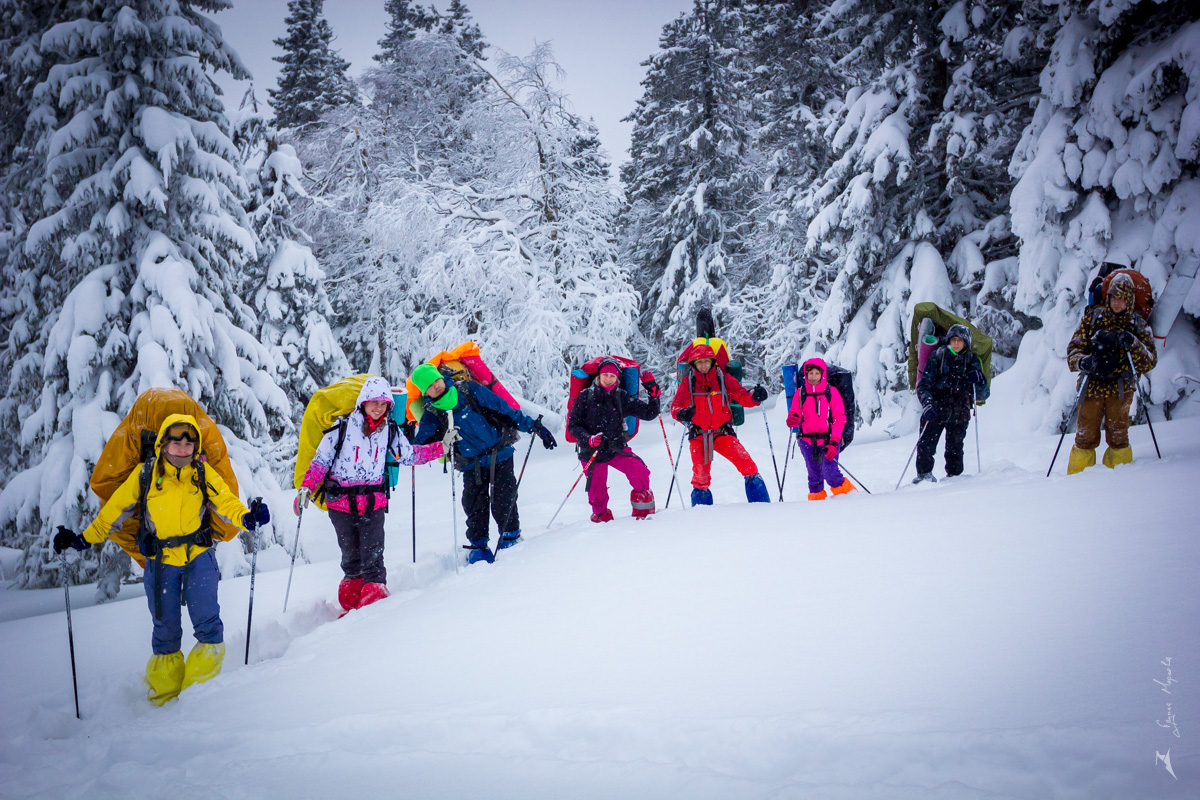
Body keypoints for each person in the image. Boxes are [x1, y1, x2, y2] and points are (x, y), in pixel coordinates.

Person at [53, 414, 271, 705]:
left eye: (188, 441)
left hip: (198, 557)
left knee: (209, 627)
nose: (182, 447)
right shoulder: (146, 475)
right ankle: (164, 702)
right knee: (165, 632)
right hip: (161, 561)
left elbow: (226, 502)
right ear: (163, 444)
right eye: (175, 441)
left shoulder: (203, 473)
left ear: (195, 446)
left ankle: (201, 699)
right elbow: (113, 512)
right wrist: (82, 540)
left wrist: (247, 517)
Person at [295, 376, 443, 612]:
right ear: (363, 402)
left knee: (374, 560)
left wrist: (441, 448)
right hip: (341, 505)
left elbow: (410, 455)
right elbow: (320, 462)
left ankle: (373, 613)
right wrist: (306, 487)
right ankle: (353, 606)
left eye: (383, 404)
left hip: (373, 503)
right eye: (374, 402)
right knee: (351, 559)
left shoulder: (390, 431)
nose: (378, 408)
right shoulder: (341, 428)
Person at [410, 363, 557, 564]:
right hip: (471, 464)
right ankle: (478, 548)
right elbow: (421, 447)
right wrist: (411, 436)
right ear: (424, 391)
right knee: (474, 505)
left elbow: (504, 410)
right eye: (429, 385)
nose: (435, 386)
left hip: (500, 453)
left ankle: (511, 538)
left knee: (504, 498)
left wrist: (534, 427)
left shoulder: (468, 390)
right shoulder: (431, 414)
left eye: (435, 380)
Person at [1065, 274, 1157, 473]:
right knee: (1085, 437)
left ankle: (1119, 483)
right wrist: (1083, 361)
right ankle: (1076, 483)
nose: (1116, 302)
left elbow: (1150, 361)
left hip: (1121, 388)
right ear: (1107, 298)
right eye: (1113, 297)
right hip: (1091, 386)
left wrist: (1133, 343)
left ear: (1129, 300)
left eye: (1122, 298)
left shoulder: (1138, 325)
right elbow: (1073, 350)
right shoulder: (1093, 318)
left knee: (1118, 437)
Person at [669, 343, 771, 505]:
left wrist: (754, 397)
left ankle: (762, 507)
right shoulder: (689, 382)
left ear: (712, 362)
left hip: (722, 433)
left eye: (706, 362)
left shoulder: (723, 379)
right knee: (700, 478)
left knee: (748, 467)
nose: (703, 366)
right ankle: (702, 515)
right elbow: (675, 406)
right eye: (699, 362)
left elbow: (741, 395)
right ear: (694, 364)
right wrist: (682, 413)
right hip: (699, 436)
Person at [566, 359, 661, 522]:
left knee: (639, 471)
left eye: (612, 376)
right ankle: (602, 522)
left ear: (617, 379)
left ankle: (644, 516)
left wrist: (653, 395)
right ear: (599, 376)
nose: (608, 379)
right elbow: (573, 425)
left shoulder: (621, 396)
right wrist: (589, 439)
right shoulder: (585, 397)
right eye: (605, 375)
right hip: (591, 452)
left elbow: (649, 413)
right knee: (597, 493)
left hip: (615, 448)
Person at [914, 324, 987, 482]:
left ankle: (954, 479)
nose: (956, 343)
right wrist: (927, 404)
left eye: (959, 340)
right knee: (926, 444)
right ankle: (923, 476)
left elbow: (982, 394)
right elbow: (923, 384)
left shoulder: (972, 360)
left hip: (960, 411)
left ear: (966, 342)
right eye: (953, 340)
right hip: (936, 408)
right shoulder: (937, 357)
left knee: (955, 447)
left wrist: (980, 381)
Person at [785, 357, 856, 500]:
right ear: (805, 374)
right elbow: (795, 416)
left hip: (828, 440)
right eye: (810, 373)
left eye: (817, 373)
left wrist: (835, 441)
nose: (813, 377)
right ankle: (817, 507)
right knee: (814, 476)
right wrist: (792, 420)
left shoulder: (832, 392)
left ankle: (850, 498)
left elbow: (839, 418)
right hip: (806, 440)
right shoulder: (800, 393)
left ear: (822, 374)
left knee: (830, 472)